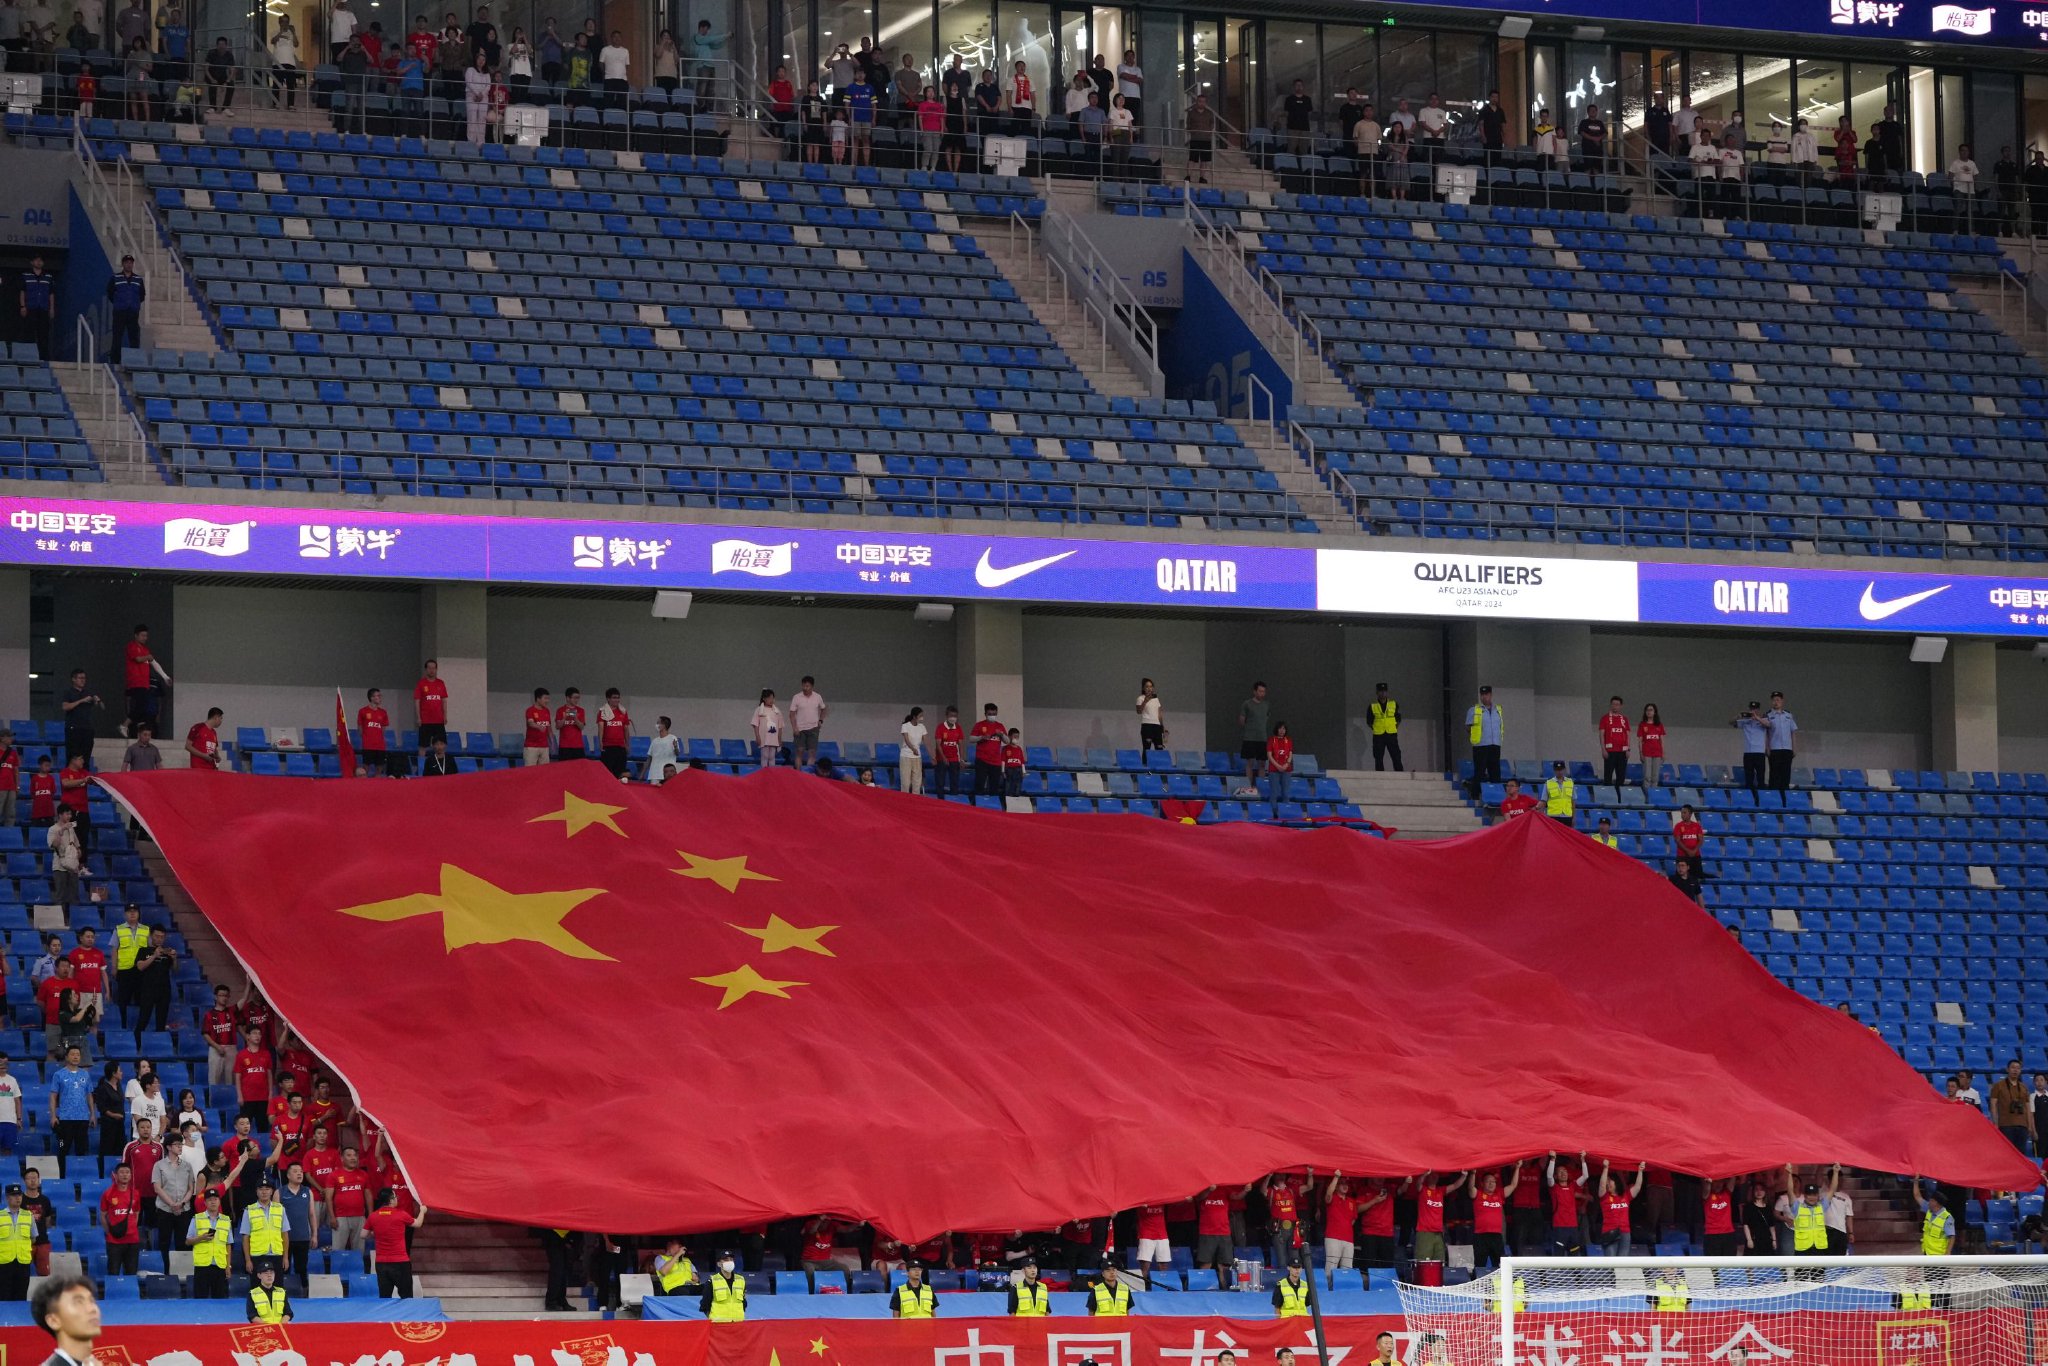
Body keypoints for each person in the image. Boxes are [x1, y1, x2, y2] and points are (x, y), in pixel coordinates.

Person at [187, 1187, 233, 1297]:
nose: (213, 1202)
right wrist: (201, 1238)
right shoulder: (197, 1218)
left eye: (215, 1199)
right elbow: (188, 1241)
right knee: (200, 1299)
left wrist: (228, 1266)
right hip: (202, 1265)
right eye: (210, 1199)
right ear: (205, 1203)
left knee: (220, 1301)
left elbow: (228, 1245)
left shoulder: (226, 1220)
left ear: (219, 1201)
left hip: (219, 1265)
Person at [105, 257, 146, 363]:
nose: (129, 265)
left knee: (134, 337)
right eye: (127, 263)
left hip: (133, 312)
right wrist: (119, 303)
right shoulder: (115, 278)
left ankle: (135, 360)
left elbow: (142, 295)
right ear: (123, 264)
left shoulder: (138, 279)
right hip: (120, 311)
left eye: (131, 263)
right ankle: (116, 360)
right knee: (117, 336)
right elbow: (110, 293)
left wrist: (134, 304)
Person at [1992, 1058, 2035, 1154]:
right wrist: (1995, 1122)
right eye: (2013, 1067)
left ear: (2020, 1071)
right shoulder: (1998, 1085)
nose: (2015, 1070)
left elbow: (2028, 1107)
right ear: (2007, 1069)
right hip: (2005, 1125)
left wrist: (2030, 1126)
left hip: (2022, 1126)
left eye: (2018, 1068)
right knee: (2007, 1153)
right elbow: (1993, 1104)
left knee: (2021, 1154)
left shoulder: (2024, 1087)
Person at [1465, 685, 1502, 795]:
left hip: (1495, 744)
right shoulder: (1474, 710)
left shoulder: (1498, 710)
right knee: (1480, 772)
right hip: (1481, 745)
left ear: (1490, 695)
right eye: (1482, 695)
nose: (1484, 697)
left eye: (1486, 694)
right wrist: (1476, 735)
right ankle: (1476, 795)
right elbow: (1467, 726)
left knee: (1495, 772)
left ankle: (1496, 796)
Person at [1785, 1167, 1828, 1257]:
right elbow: (1790, 1191)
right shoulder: (1797, 1207)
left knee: (1819, 1271)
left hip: (1819, 1247)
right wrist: (1789, 1174)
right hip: (1802, 1249)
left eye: (1814, 1195)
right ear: (1805, 1196)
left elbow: (1832, 1190)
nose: (1812, 1197)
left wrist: (1835, 1172)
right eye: (1809, 1195)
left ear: (1818, 1196)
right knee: (1801, 1271)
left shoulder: (1822, 1207)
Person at [19, 254, 55, 360]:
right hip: (30, 308)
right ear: (32, 262)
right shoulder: (26, 276)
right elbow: (22, 292)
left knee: (43, 334)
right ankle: (28, 357)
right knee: (29, 333)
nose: (38, 262)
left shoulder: (48, 277)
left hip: (43, 309)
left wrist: (52, 308)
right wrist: (22, 306)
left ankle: (43, 358)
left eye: (40, 260)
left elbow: (51, 294)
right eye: (36, 260)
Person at [1763, 691, 1797, 798]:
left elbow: (1793, 732)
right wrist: (1767, 747)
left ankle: (1784, 800)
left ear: (1782, 701)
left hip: (1787, 749)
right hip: (1775, 749)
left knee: (1785, 775)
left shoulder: (1788, 715)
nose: (1776, 702)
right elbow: (1766, 733)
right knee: (1774, 775)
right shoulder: (1768, 715)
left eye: (1778, 700)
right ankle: (1774, 799)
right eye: (1774, 700)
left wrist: (1794, 748)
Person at [1238, 681, 1270, 792]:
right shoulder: (1247, 704)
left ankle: (1260, 787)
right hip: (1250, 738)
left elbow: (1266, 718)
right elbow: (1241, 720)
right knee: (1250, 763)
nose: (1262, 693)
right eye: (1260, 691)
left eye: (1264, 691)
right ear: (1255, 691)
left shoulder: (1266, 705)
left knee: (1262, 763)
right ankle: (1249, 787)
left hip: (1262, 738)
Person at [969, 702, 1006, 797]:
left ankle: (992, 808)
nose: (992, 716)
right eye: (990, 714)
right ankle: (978, 807)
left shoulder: (1000, 726)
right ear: (985, 714)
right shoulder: (979, 725)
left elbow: (1007, 741)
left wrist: (1001, 734)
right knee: (979, 785)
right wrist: (981, 737)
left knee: (994, 787)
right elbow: (971, 739)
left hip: (996, 761)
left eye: (994, 714)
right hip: (982, 760)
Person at [1732, 700, 1768, 796]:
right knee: (1749, 778)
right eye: (1751, 709)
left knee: (1761, 778)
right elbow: (1731, 723)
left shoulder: (1763, 720)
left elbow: (1768, 725)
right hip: (1748, 752)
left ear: (1758, 710)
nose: (1753, 711)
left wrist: (1757, 718)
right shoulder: (1745, 721)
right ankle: (1750, 798)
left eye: (1755, 709)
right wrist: (1738, 716)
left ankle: (1762, 798)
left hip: (1759, 753)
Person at [1912, 1178, 1955, 1255]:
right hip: (1927, 1253)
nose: (1929, 1202)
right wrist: (1916, 1181)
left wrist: (1948, 1253)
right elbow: (1917, 1196)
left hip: (1939, 1256)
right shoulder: (1928, 1209)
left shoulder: (1947, 1218)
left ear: (1936, 1203)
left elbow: (1951, 1237)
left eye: (1931, 1200)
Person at [699, 1248, 744, 1319]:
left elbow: (743, 1303)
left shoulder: (741, 1280)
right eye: (726, 1260)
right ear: (719, 1264)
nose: (729, 1262)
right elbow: (705, 1305)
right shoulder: (711, 1281)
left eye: (731, 1259)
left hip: (738, 1324)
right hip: (719, 1325)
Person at [1596, 695, 1631, 786]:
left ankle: (1620, 798)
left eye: (1617, 704)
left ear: (1621, 706)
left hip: (1622, 752)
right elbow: (1601, 735)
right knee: (1608, 776)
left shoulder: (1624, 719)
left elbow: (1627, 735)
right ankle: (1608, 798)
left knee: (1621, 776)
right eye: (1613, 704)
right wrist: (1603, 749)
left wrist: (1628, 749)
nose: (1615, 706)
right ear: (1611, 705)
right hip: (1610, 752)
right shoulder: (1605, 718)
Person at [1185, 91, 1213, 185]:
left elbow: (1212, 124)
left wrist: (1208, 131)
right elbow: (1188, 124)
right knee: (1192, 158)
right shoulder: (1191, 113)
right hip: (1195, 138)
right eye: (1200, 101)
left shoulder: (1209, 113)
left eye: (1203, 101)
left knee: (1204, 160)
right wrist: (1192, 131)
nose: (1202, 103)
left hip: (1206, 139)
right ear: (1197, 102)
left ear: (1206, 102)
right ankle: (1188, 176)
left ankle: (1202, 177)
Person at [897, 708, 928, 794]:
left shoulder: (922, 727)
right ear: (914, 717)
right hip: (906, 756)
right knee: (906, 782)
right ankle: (904, 801)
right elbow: (907, 740)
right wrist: (913, 749)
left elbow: (926, 741)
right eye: (920, 716)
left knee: (917, 782)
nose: (922, 718)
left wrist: (932, 755)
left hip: (917, 757)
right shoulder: (905, 726)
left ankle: (916, 801)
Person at [750, 689, 784, 768]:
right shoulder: (759, 710)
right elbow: (755, 724)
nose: (771, 700)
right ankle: (764, 774)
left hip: (773, 737)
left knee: (772, 756)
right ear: (764, 699)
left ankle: (771, 774)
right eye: (769, 698)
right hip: (764, 737)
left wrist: (779, 738)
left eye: (772, 698)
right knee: (765, 756)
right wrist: (757, 736)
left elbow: (780, 726)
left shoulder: (777, 711)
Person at [1281, 80, 1313, 155]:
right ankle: (1290, 166)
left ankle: (1304, 166)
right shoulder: (1289, 99)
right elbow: (1286, 113)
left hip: (1304, 129)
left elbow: (1310, 112)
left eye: (1300, 85)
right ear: (1294, 87)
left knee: (1304, 150)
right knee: (1291, 150)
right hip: (1292, 128)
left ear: (1303, 87)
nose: (1299, 87)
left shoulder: (1307, 99)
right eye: (1297, 85)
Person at [1134, 678, 1164, 752]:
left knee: (1159, 748)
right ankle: (1145, 763)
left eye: (1151, 686)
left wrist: (1162, 726)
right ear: (1143, 688)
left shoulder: (1156, 699)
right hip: (1147, 725)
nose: (1149, 688)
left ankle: (1159, 763)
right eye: (1147, 686)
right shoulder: (1140, 698)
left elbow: (1159, 714)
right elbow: (1139, 711)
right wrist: (1145, 701)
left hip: (1157, 726)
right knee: (1147, 748)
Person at [1543, 761, 1574, 825]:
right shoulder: (1548, 783)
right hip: (1553, 816)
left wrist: (1573, 817)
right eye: (1557, 770)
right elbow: (1543, 801)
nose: (1559, 772)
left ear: (1564, 769)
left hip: (1567, 816)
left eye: (1561, 769)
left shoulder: (1570, 782)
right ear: (1554, 770)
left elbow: (1573, 801)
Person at [1001, 727, 1026, 798]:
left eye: (1017, 737)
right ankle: (1007, 800)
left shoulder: (1019, 749)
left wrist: (1024, 772)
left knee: (1018, 786)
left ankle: (1016, 800)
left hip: (1018, 770)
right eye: (1014, 736)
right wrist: (1003, 772)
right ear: (1009, 737)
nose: (1016, 738)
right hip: (1009, 770)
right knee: (1008, 786)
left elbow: (1022, 762)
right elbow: (1003, 761)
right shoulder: (1005, 748)